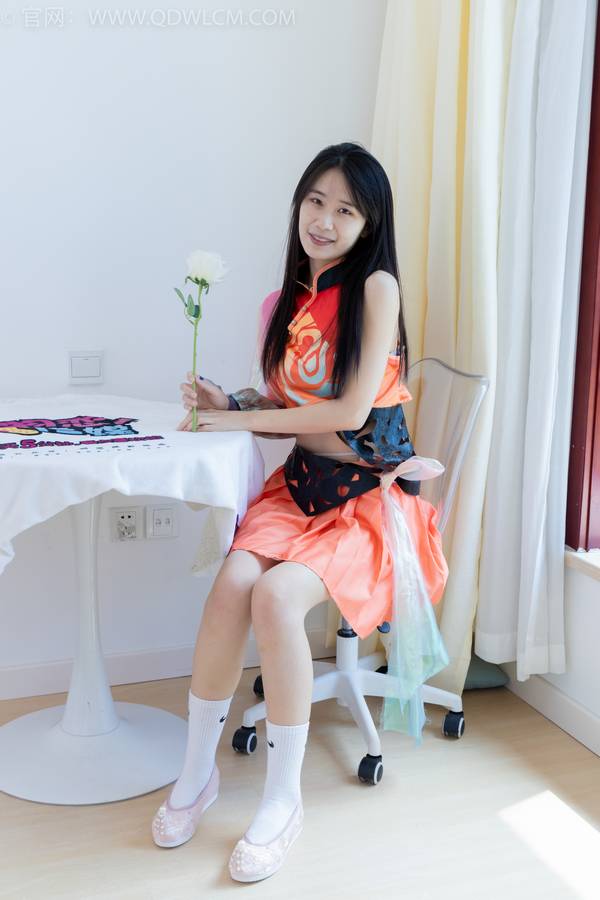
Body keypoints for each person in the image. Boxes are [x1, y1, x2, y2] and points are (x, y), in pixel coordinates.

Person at [151, 142, 450, 882]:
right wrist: (233, 400)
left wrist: (235, 422)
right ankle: (197, 772)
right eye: (316, 200)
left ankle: (283, 801)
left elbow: (348, 412)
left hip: (365, 498)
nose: (325, 219)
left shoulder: (376, 287)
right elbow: (291, 402)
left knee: (278, 596)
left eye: (346, 209)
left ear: (369, 224)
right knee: (233, 583)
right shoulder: (286, 299)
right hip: (303, 486)